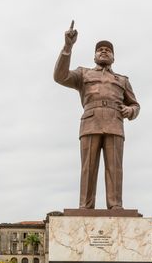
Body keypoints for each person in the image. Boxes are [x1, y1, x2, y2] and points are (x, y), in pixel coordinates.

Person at [53, 24, 140, 210]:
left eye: (108, 50)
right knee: (88, 168)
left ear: (113, 57)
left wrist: (130, 111)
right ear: (94, 56)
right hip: (90, 122)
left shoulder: (122, 80)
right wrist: (68, 47)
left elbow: (135, 104)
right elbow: (60, 76)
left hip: (115, 123)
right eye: (100, 50)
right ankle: (85, 206)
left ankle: (116, 206)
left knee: (115, 169)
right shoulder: (83, 73)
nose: (104, 52)